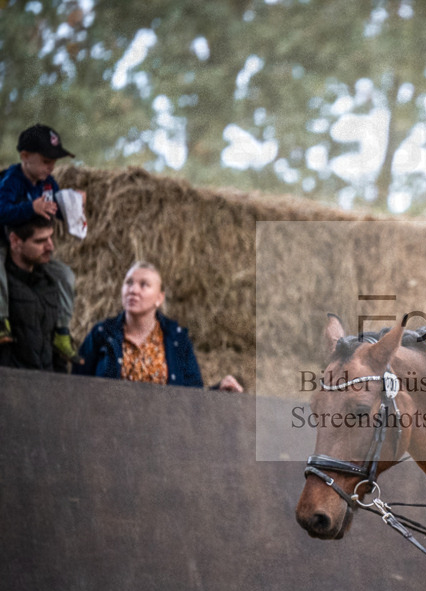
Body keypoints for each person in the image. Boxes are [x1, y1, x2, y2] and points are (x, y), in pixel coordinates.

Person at [74, 261, 244, 392]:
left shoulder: (177, 339)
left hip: (163, 432)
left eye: (144, 285)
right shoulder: (102, 334)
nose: (133, 290)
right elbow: (76, 386)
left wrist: (218, 390)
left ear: (159, 298)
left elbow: (194, 396)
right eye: (129, 283)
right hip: (109, 429)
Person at [0, 124, 82, 361]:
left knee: (66, 276)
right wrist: (30, 208)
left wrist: (73, 203)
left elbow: (55, 209)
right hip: (5, 243)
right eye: (46, 160)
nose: (51, 167)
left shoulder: (49, 184)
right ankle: (2, 320)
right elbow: (2, 211)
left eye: (54, 161)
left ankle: (62, 331)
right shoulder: (11, 180)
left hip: (31, 248)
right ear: (25, 157)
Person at [0, 216, 66, 371]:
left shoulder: (50, 284)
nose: (50, 246)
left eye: (50, 238)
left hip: (45, 388)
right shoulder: (3, 288)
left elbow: (56, 347)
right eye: (40, 241)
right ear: (15, 241)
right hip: (9, 389)